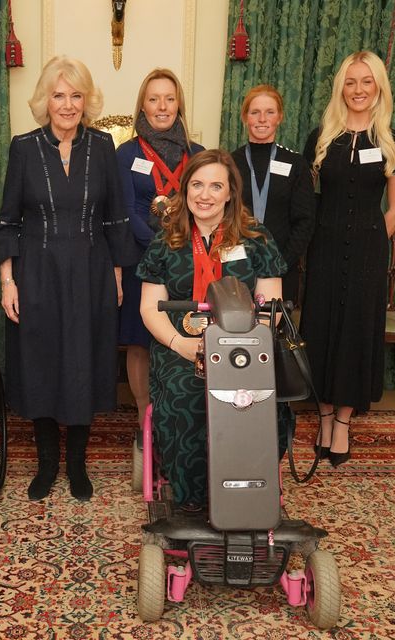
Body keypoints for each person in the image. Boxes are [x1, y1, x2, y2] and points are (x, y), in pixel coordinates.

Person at [0, 55, 138, 502]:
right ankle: (47, 463)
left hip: (91, 271)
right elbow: (7, 222)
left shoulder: (102, 148)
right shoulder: (23, 147)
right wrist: (8, 281)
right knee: (40, 361)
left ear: (87, 100)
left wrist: (116, 275)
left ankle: (76, 463)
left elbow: (116, 218)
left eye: (76, 95)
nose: (68, 104)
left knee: (83, 362)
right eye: (59, 95)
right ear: (45, 100)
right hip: (36, 272)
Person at [139, 149, 286, 510]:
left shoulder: (257, 239)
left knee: (264, 399)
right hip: (182, 345)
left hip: (244, 346)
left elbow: (272, 309)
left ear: (231, 193)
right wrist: (181, 344)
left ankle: (250, 489)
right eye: (197, 184)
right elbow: (149, 308)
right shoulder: (165, 240)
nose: (205, 195)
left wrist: (246, 345)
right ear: (185, 189)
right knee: (185, 393)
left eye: (215, 186)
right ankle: (193, 499)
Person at [302, 51, 395, 466]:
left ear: (379, 87)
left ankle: (344, 422)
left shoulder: (392, 142)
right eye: (351, 82)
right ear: (340, 88)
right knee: (323, 329)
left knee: (355, 333)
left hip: (367, 254)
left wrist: (368, 242)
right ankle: (324, 415)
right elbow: (306, 198)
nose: (359, 90)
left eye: (367, 81)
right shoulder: (321, 137)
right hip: (324, 250)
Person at [231, 84, 316, 462]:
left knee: (271, 352)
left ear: (280, 117)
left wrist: (275, 265)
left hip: (280, 273)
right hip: (235, 273)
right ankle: (232, 419)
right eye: (255, 112)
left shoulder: (295, 165)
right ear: (244, 117)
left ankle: (269, 431)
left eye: (269, 112)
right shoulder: (230, 162)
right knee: (234, 347)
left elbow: (305, 222)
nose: (262, 120)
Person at [116, 69, 204, 429]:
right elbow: (126, 210)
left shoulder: (197, 153)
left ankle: (177, 413)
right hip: (143, 261)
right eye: (154, 99)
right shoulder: (127, 153)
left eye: (169, 98)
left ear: (178, 103)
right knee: (140, 341)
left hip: (189, 261)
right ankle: (143, 418)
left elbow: (205, 207)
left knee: (185, 333)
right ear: (143, 106)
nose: (162, 106)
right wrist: (161, 250)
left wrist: (180, 252)